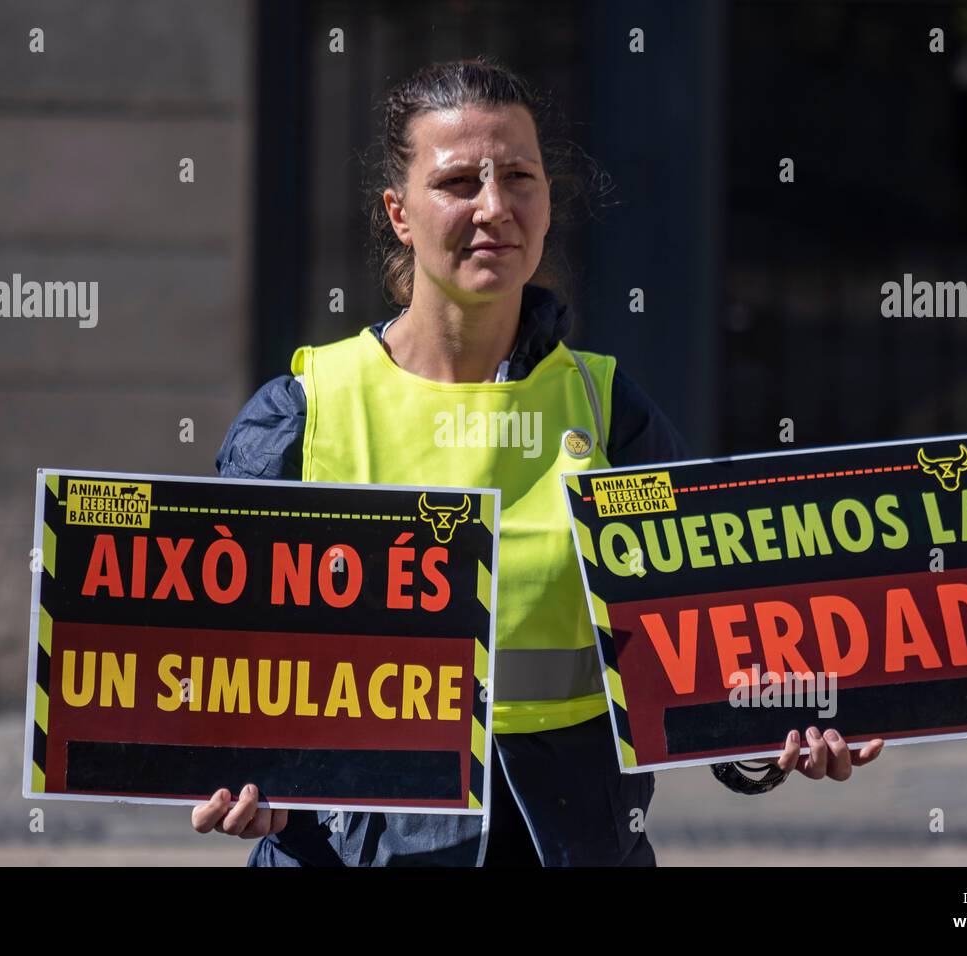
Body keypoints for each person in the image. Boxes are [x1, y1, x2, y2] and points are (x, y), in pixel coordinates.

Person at [190, 57, 884, 866]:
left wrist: (776, 732)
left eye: (519, 176)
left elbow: (703, 661)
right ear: (399, 213)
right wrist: (225, 771)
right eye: (457, 183)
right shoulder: (303, 413)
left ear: (549, 201)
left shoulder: (608, 411)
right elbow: (211, 674)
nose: (494, 208)